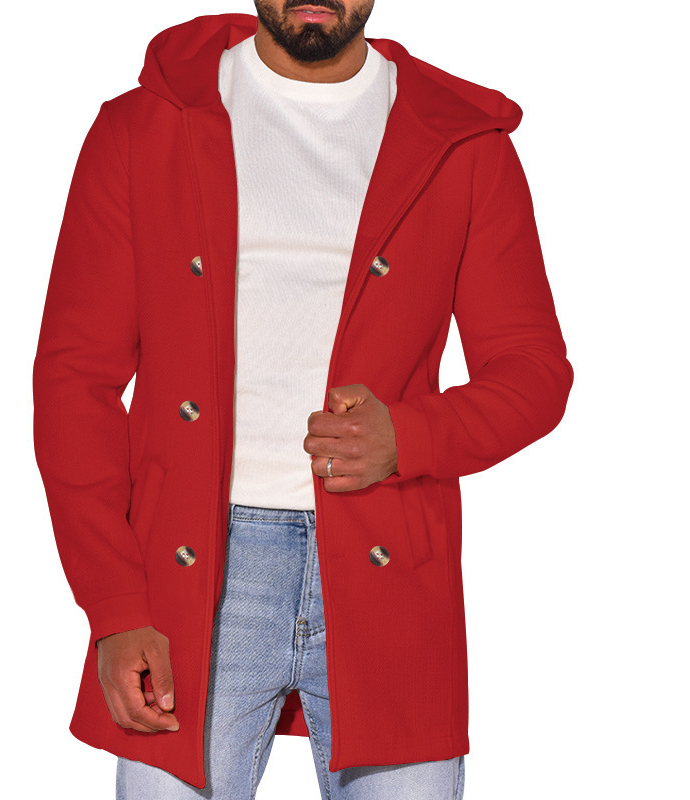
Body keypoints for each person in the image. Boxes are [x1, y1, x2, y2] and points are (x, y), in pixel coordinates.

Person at [32, 3, 573, 798]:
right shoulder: (143, 127)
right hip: (191, 574)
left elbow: (533, 370)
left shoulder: (462, 142)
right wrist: (114, 605)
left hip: (391, 568)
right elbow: (74, 380)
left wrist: (411, 436)